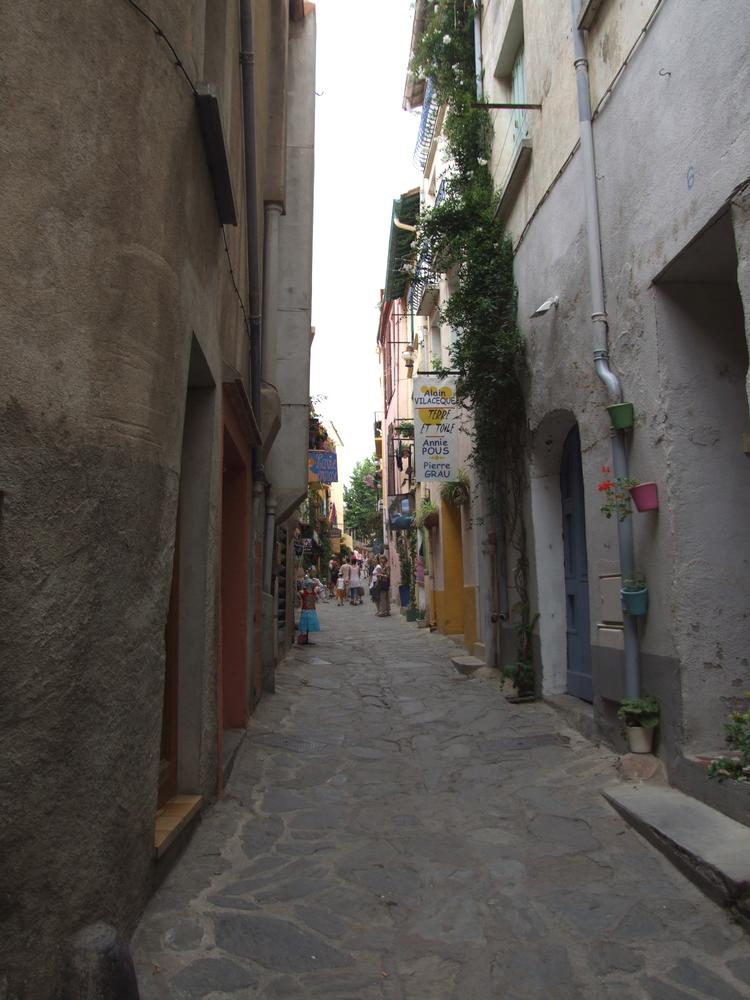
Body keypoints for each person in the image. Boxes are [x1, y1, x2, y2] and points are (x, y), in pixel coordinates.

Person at [297, 573, 321, 644]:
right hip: (307, 610)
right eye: (309, 585)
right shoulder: (304, 592)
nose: (310, 586)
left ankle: (306, 638)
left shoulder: (311, 592)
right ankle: (305, 638)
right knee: (306, 625)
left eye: (311, 585)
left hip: (310, 610)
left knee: (308, 625)